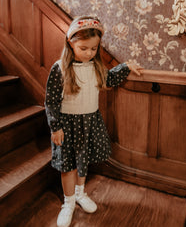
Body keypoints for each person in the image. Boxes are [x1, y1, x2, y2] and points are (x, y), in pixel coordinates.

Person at [45, 16, 143, 227]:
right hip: (67, 125)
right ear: (70, 43)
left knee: (83, 160)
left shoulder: (95, 66)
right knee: (68, 166)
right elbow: (51, 100)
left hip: (89, 121)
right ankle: (68, 202)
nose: (89, 53)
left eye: (94, 48)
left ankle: (81, 193)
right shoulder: (59, 68)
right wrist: (56, 127)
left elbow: (109, 79)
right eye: (84, 48)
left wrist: (125, 67)